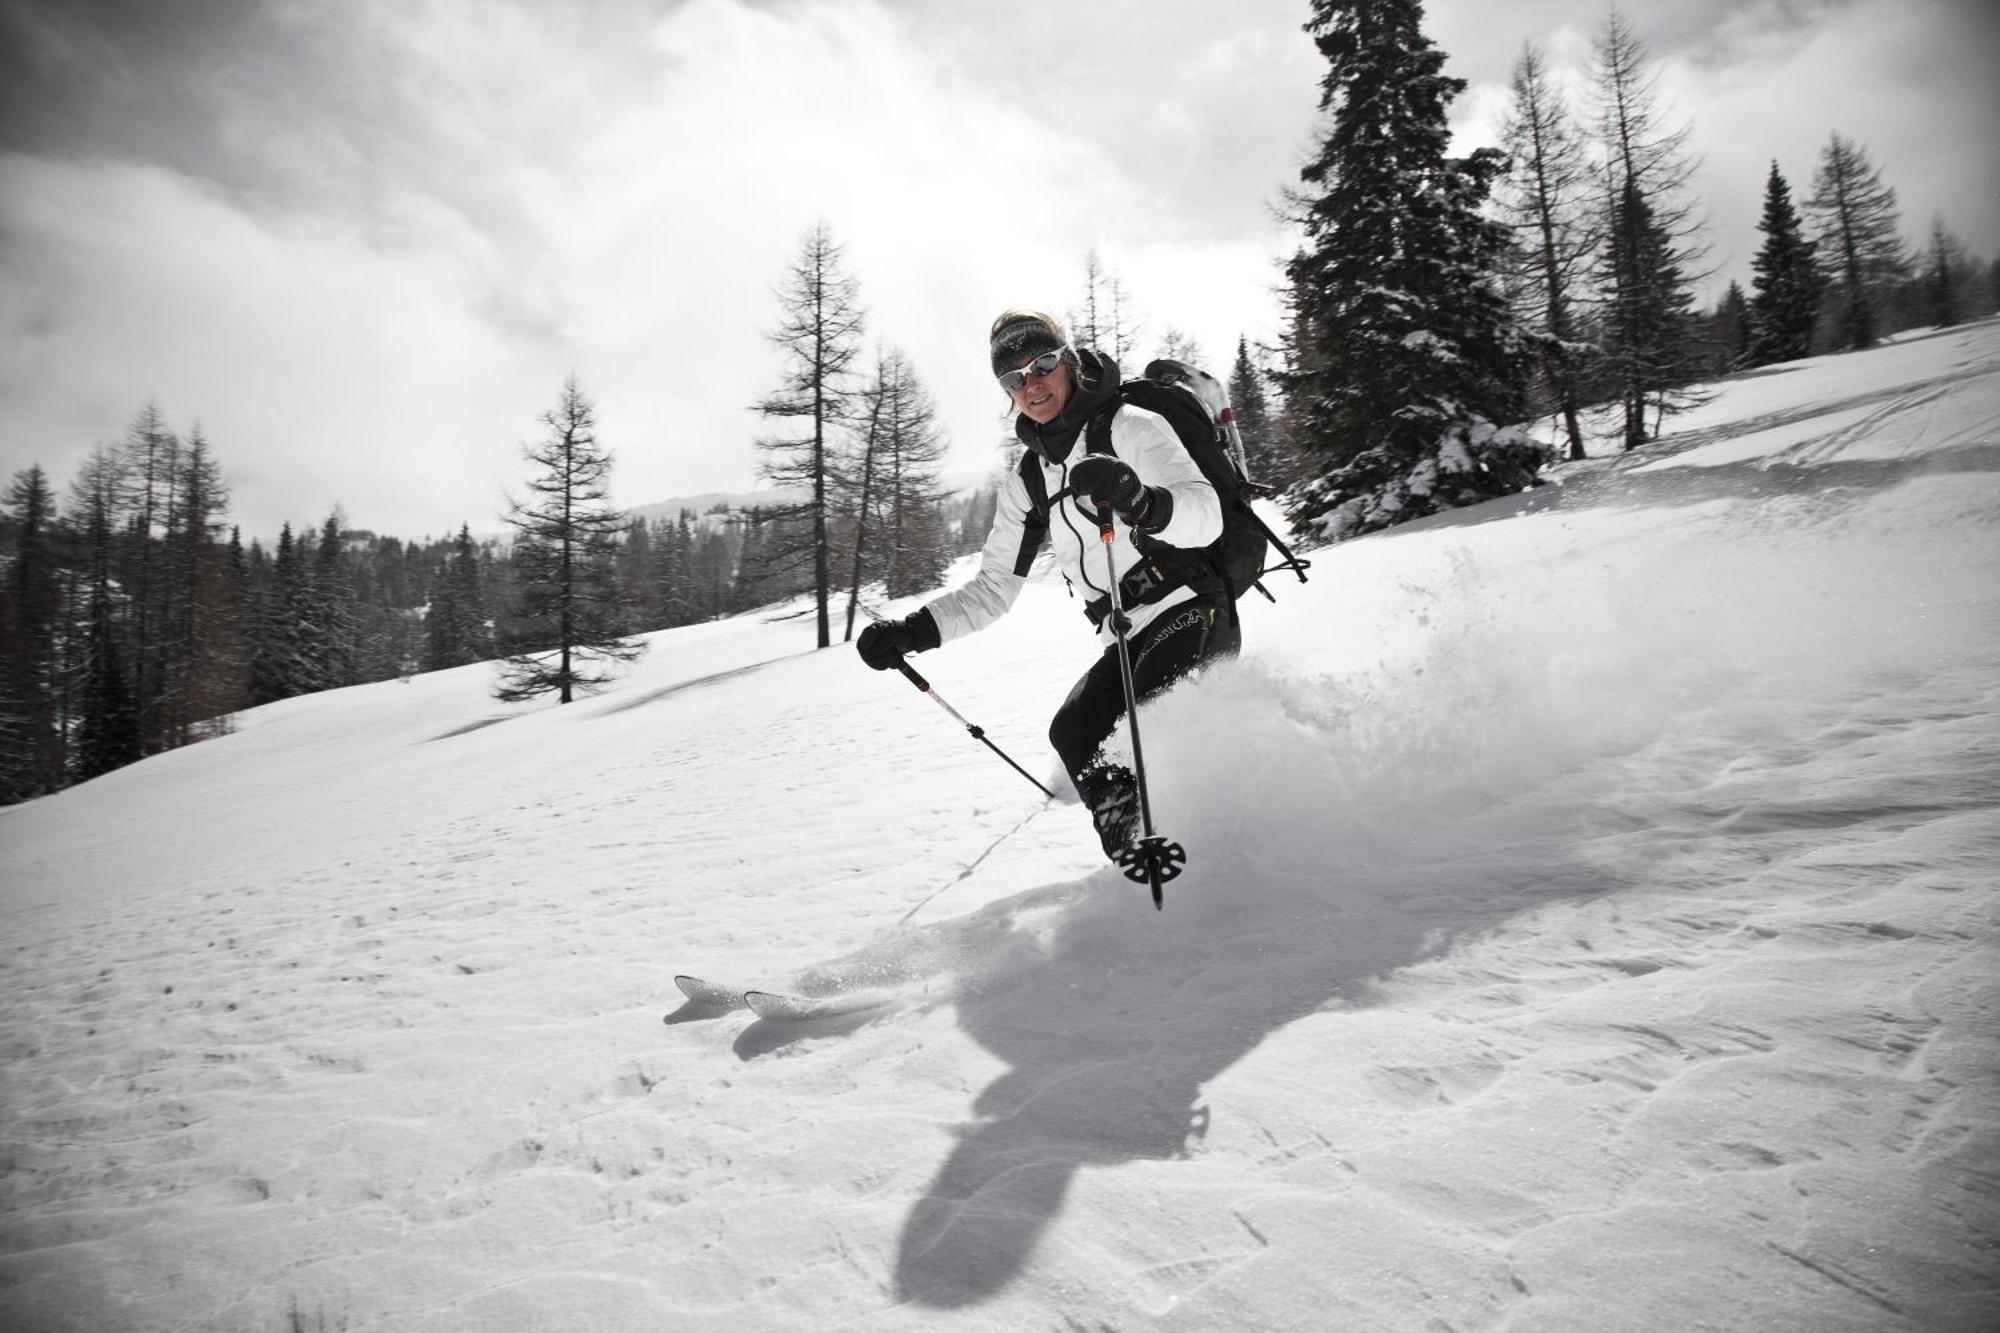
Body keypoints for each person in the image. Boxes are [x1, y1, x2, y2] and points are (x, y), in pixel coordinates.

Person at [856, 309, 1242, 860]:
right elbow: (993, 588)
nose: (1031, 383)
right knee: (1075, 733)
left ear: (1067, 363)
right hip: (1127, 636)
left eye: (1041, 365)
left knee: (1146, 725)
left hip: (1192, 607)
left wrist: (1141, 501)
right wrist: (912, 633)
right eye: (1013, 377)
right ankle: (1137, 860)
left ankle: (1229, 857)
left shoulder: (1130, 427)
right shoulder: (1030, 479)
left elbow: (1207, 515)